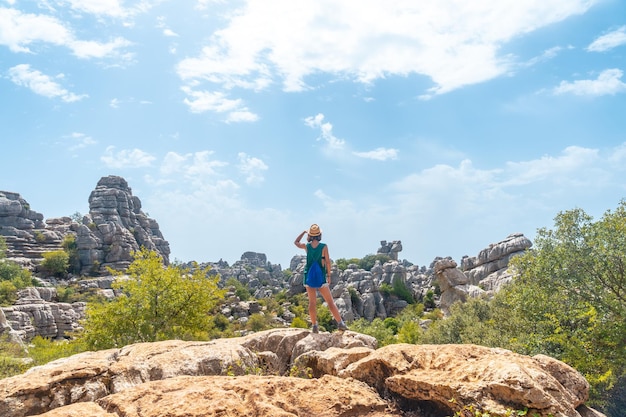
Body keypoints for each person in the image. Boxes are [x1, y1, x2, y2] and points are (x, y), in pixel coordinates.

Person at [294, 224, 348, 333]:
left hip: (308, 275)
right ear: (319, 235)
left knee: (312, 303)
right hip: (321, 276)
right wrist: (329, 275)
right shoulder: (323, 246)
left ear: (310, 234)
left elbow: (296, 242)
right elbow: (327, 261)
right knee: (330, 302)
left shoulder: (307, 246)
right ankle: (340, 323)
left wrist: (304, 232)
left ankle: (314, 326)